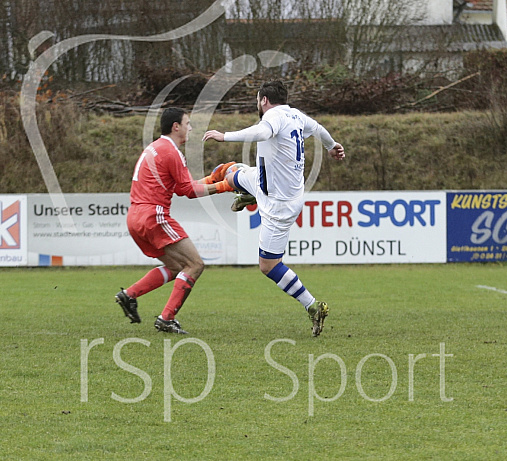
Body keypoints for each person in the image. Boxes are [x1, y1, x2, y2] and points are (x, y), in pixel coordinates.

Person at [203, 80, 345, 337]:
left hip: (279, 205)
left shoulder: (273, 116)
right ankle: (247, 193)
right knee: (232, 172)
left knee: (268, 266)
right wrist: (332, 146)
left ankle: (312, 306)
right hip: (267, 182)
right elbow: (320, 129)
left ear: (264, 100)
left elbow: (262, 133)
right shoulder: (296, 115)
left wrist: (224, 136)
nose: (258, 105)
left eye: (258, 100)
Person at [116, 107, 234, 334]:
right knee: (196, 264)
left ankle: (129, 295)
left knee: (176, 266)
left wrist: (211, 179)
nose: (190, 128)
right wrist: (224, 186)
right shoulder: (171, 151)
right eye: (187, 123)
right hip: (154, 215)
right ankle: (166, 318)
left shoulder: (154, 148)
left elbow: (182, 185)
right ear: (176, 126)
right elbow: (188, 191)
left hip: (135, 217)